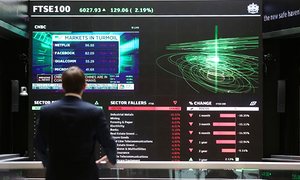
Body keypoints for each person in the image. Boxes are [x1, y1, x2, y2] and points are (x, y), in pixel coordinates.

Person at [34, 66, 117, 180]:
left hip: (56, 175)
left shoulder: (47, 111)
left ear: (62, 86)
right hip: (86, 175)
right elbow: (109, 143)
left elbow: (39, 145)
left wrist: (50, 164)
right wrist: (111, 158)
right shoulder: (94, 112)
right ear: (85, 86)